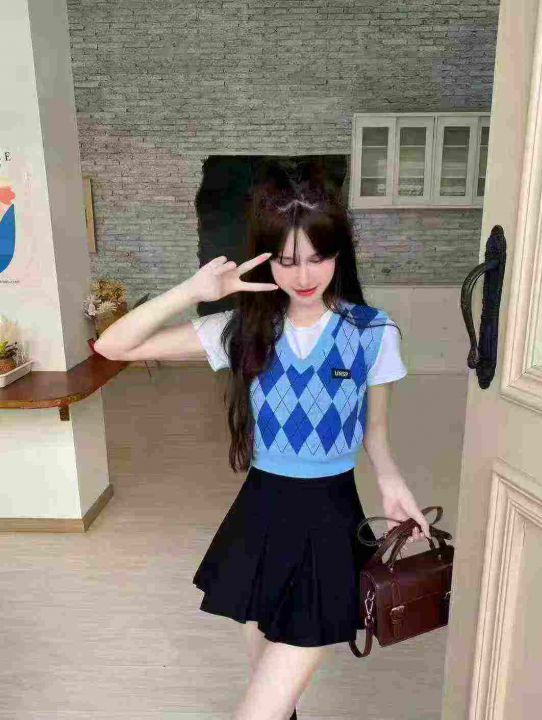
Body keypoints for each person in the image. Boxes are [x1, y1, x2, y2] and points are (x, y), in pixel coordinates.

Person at [94, 162, 431, 720]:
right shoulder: (244, 329)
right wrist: (193, 290)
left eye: (318, 257)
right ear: (267, 258)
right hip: (260, 517)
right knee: (275, 700)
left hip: (329, 522)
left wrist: (393, 485)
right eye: (287, 260)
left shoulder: (372, 332)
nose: (304, 275)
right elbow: (113, 346)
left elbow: (375, 435)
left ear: (339, 254)